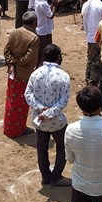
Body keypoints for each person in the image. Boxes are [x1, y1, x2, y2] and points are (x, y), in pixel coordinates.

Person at [25, 44, 71, 186]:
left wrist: (41, 110)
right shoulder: (63, 77)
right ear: (58, 57)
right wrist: (49, 113)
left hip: (39, 119)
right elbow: (63, 101)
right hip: (56, 120)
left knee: (42, 148)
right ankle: (56, 177)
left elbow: (28, 94)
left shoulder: (35, 73)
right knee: (62, 146)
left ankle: (46, 177)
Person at [2, 12, 40, 137]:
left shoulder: (14, 32)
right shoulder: (34, 38)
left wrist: (11, 63)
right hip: (24, 74)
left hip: (12, 72)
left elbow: (6, 50)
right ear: (34, 23)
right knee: (22, 102)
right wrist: (17, 62)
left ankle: (9, 127)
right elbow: (29, 57)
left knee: (11, 99)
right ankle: (19, 129)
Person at [82, 0, 102, 86]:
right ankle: (93, 81)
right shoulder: (101, 6)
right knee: (96, 60)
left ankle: (88, 77)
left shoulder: (86, 4)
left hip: (89, 35)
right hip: (98, 37)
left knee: (90, 57)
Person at [34, 0, 57, 66]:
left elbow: (46, 11)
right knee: (46, 50)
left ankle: (38, 65)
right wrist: (54, 5)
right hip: (45, 30)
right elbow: (51, 15)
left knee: (40, 51)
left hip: (40, 28)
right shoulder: (43, 3)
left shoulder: (38, 0)